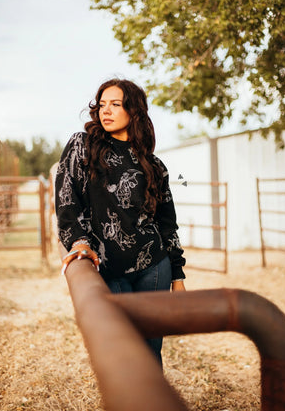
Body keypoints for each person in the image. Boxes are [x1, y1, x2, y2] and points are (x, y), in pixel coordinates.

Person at [55, 78, 186, 366]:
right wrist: (78, 241)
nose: (106, 111)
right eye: (102, 104)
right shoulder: (83, 145)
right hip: (108, 267)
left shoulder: (154, 165)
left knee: (151, 352)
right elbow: (67, 199)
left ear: (134, 111)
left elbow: (166, 223)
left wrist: (177, 275)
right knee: (123, 352)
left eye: (116, 104)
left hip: (153, 267)